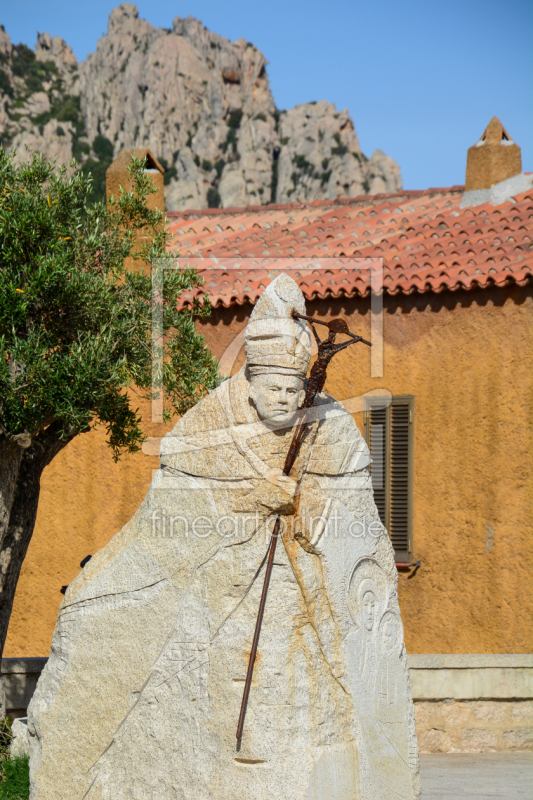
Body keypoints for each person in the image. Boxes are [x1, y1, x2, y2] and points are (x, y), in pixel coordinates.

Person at [29, 275, 419, 800]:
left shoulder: (330, 425)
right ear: (250, 382)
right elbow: (176, 506)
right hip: (214, 589)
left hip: (298, 596)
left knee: (288, 691)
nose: (284, 399)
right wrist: (251, 497)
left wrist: (306, 507)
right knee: (100, 614)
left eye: (293, 390)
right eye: (273, 389)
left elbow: (353, 515)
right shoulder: (208, 422)